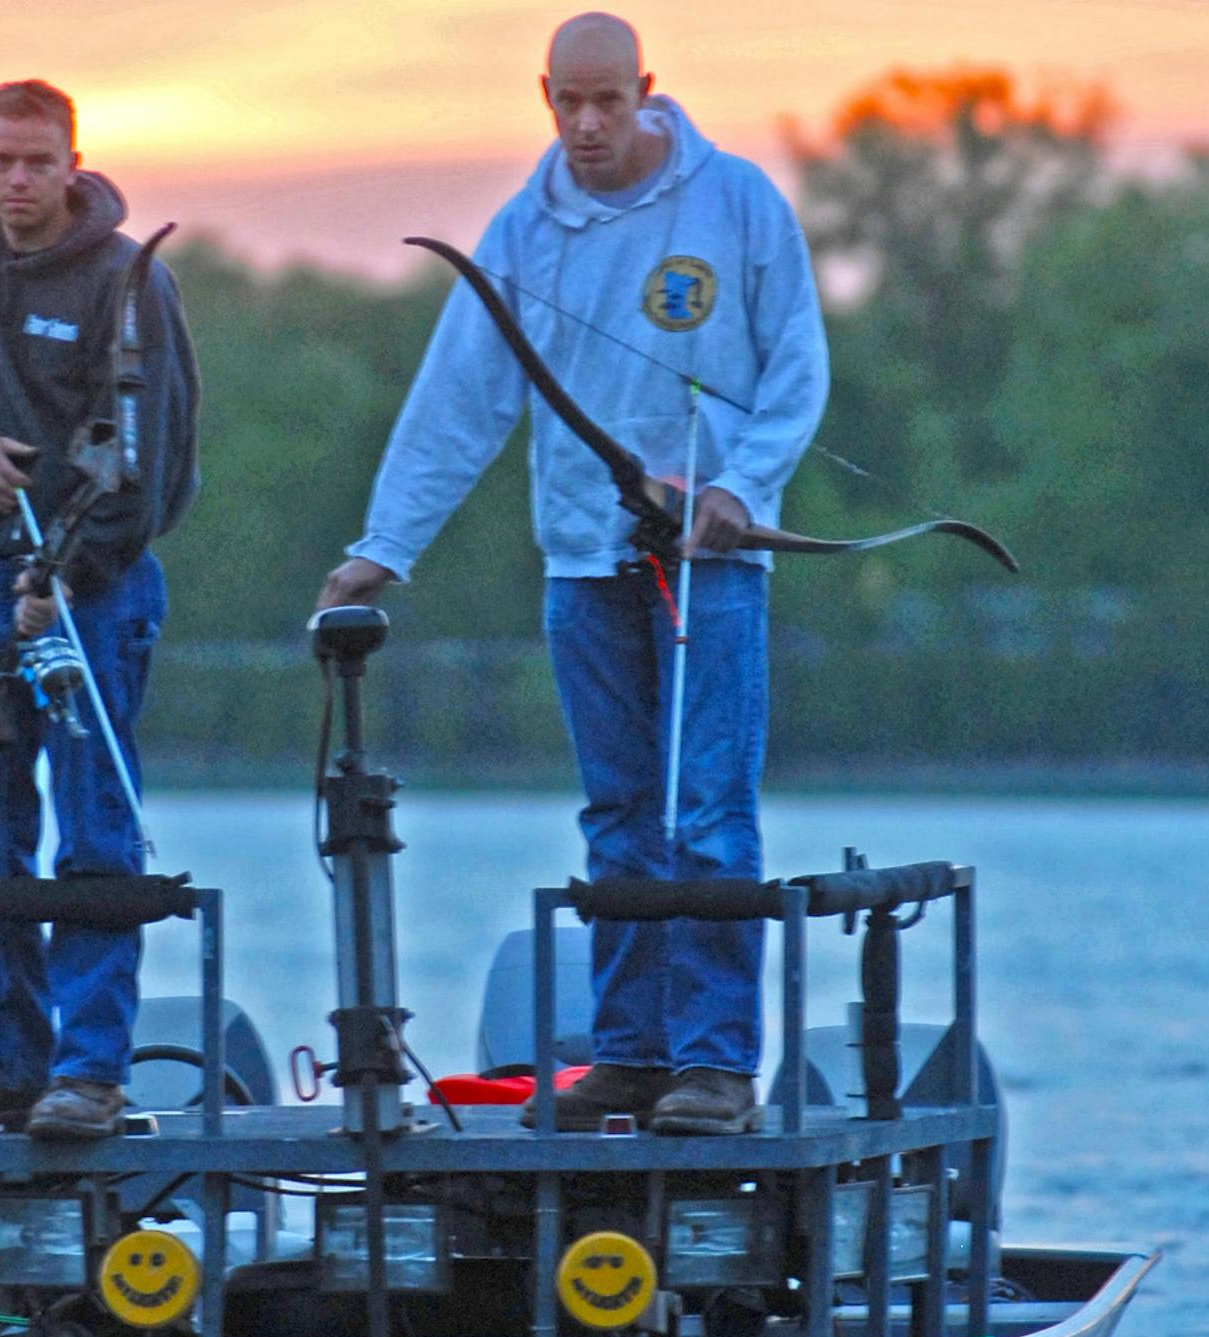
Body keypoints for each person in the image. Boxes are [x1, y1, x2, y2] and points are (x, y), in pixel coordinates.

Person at [315, 13, 827, 1134]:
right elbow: (460, 398)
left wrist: (740, 489)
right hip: (582, 563)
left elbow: (796, 363)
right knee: (617, 814)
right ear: (543, 96)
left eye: (609, 100)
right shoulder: (524, 230)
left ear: (646, 90)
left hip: (710, 563)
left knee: (709, 813)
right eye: (568, 103)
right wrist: (384, 546)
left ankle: (716, 1063)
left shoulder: (735, 200)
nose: (589, 124)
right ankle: (634, 1051)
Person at [0, 79, 198, 1140]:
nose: (16, 180)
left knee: (95, 826)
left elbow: (152, 466)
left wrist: (61, 581)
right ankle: (5, 1065)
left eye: (36, 161)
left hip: (96, 592)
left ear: (73, 163)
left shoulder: (127, 282)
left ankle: (91, 1070)